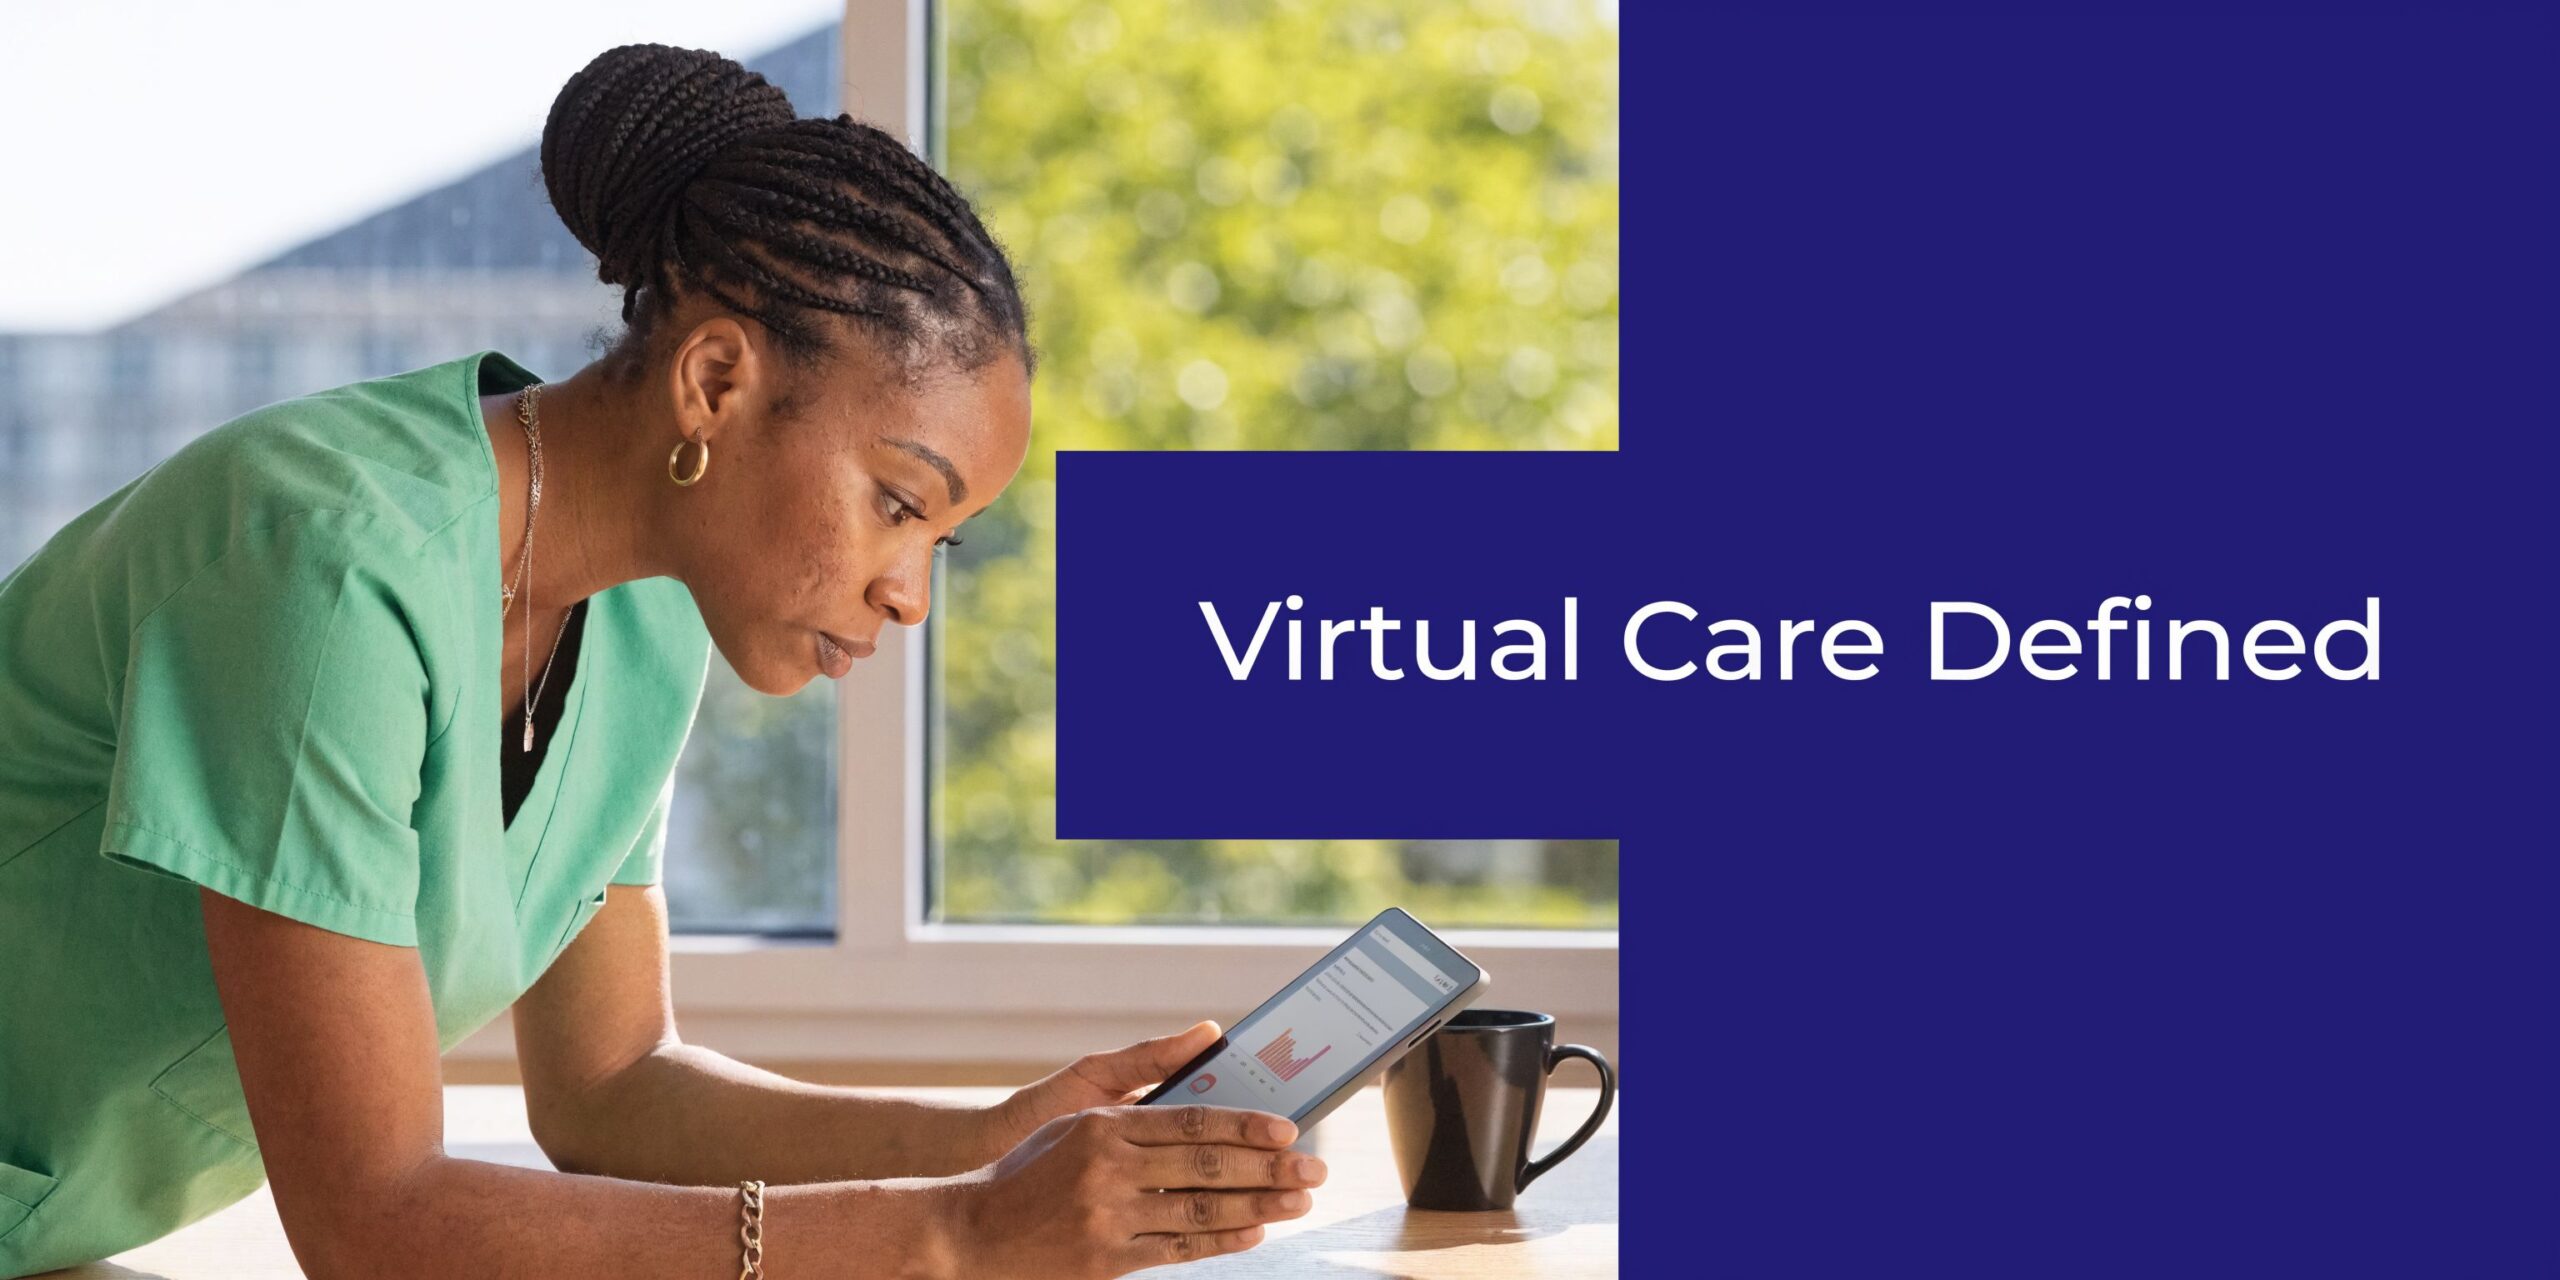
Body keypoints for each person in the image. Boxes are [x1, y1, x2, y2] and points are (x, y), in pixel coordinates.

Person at [0, 43, 1321, 1278]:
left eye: (946, 543)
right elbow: (374, 1222)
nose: (910, 596)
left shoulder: (639, 622)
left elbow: (616, 1086)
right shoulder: (323, 560)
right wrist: (959, 1231)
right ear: (713, 382)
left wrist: (993, 1141)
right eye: (898, 503)